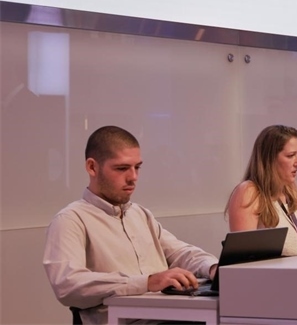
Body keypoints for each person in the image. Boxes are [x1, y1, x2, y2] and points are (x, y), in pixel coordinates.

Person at [43, 126, 219, 325]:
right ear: (92, 167)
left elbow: (181, 252)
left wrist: (214, 268)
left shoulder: (140, 214)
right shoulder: (70, 220)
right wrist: (148, 282)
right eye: (122, 168)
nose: (133, 177)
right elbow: (68, 285)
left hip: (168, 317)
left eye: (137, 167)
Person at [226, 125, 297, 255]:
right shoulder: (249, 192)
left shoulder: (293, 191)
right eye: (290, 155)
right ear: (269, 159)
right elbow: (244, 256)